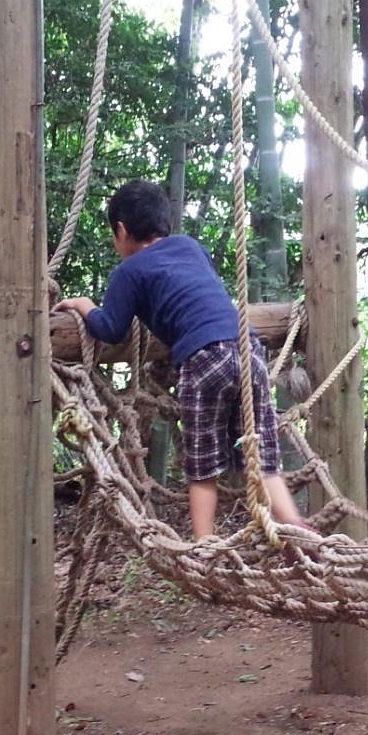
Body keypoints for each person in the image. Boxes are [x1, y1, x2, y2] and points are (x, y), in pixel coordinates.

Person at [55, 179, 309, 540]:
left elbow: (110, 328)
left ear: (122, 231)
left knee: (203, 464)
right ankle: (296, 527)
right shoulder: (191, 247)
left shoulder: (129, 271)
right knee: (261, 452)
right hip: (248, 348)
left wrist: (84, 305)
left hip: (205, 358)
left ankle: (204, 542)